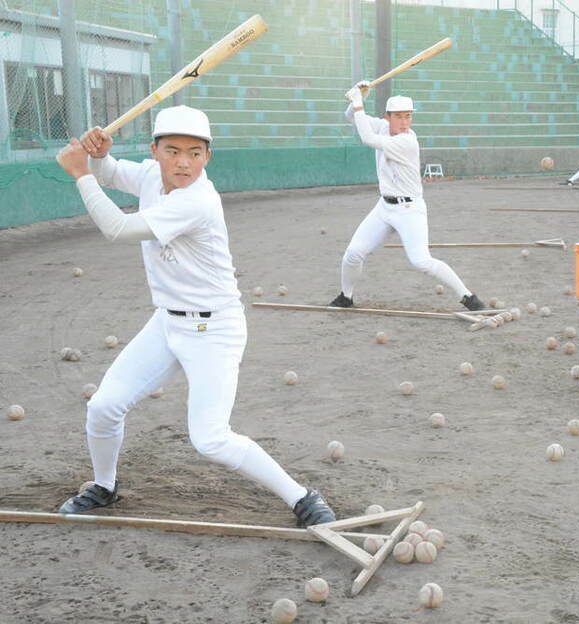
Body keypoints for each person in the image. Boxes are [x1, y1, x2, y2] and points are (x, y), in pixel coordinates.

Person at [53, 106, 336, 527]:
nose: (183, 162)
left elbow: (117, 228)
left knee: (210, 439)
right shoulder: (152, 175)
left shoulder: (198, 200)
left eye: (194, 152)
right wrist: (96, 155)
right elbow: (111, 172)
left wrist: (81, 172)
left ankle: (302, 497)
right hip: (168, 322)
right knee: (104, 407)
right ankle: (104, 486)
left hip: (214, 329)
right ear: (155, 151)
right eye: (172, 151)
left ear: (208, 156)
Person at [329, 81, 485, 311]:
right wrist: (359, 97)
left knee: (420, 260)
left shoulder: (406, 141)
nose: (404, 122)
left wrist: (359, 103)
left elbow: (367, 139)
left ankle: (468, 297)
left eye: (408, 116)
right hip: (385, 207)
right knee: (353, 254)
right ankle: (346, 297)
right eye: (399, 117)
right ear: (387, 117)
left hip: (410, 210)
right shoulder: (382, 127)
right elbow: (351, 118)